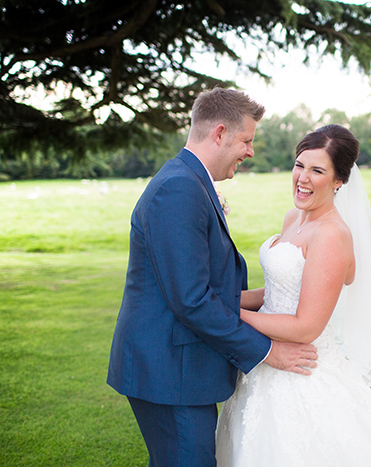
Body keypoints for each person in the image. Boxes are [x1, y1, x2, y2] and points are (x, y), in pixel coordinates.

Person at [215, 124, 371, 466]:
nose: (302, 178)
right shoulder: (295, 218)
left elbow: (306, 326)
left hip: (300, 368)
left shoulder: (332, 235)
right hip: (265, 362)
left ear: (338, 181)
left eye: (317, 170)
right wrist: (223, 298)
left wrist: (227, 313)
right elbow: (279, 291)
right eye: (299, 165)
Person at [107, 88, 318, 467]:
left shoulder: (191, 181)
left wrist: (274, 295)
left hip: (177, 366)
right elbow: (192, 300)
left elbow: (204, 284)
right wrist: (269, 351)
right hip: (170, 372)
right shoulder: (179, 189)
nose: (251, 151)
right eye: (247, 140)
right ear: (219, 133)